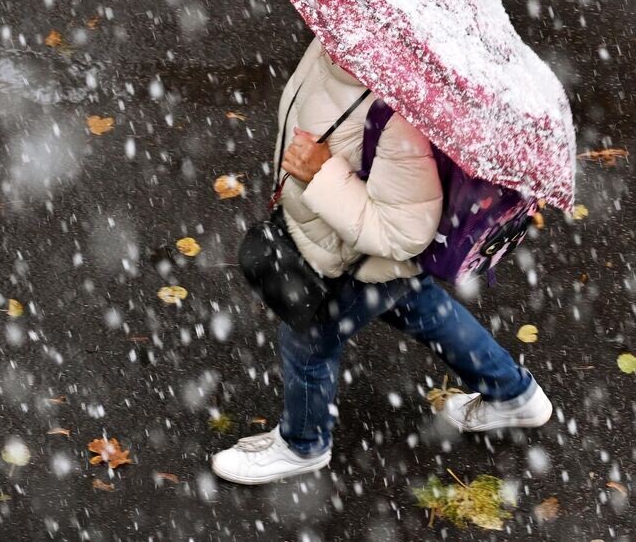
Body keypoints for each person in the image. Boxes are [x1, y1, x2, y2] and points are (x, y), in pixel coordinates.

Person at [211, 34, 552, 485]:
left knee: (308, 341)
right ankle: (512, 393)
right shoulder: (336, 45)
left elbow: (404, 232)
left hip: (358, 262)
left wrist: (321, 174)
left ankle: (302, 445)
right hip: (346, 246)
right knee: (420, 306)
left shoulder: (397, 118)